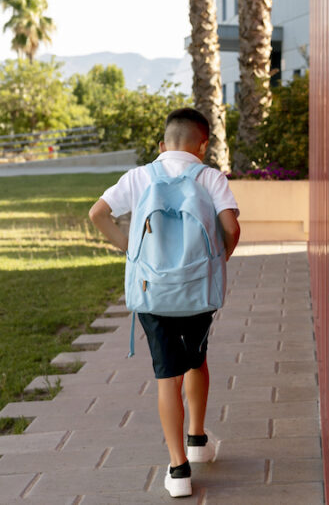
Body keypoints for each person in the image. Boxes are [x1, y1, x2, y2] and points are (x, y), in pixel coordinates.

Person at [88, 107, 240, 497]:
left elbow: (98, 213)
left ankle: (178, 470)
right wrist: (218, 261)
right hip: (197, 291)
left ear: (162, 145)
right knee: (197, 359)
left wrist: (129, 249)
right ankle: (198, 440)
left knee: (165, 374)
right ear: (202, 146)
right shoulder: (210, 178)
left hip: (151, 290)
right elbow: (230, 227)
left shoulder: (139, 177)